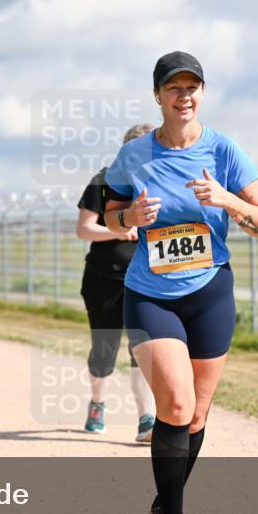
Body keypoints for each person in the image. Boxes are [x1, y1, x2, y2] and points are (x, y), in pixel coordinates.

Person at [103, 52, 258, 514]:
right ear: (158, 95)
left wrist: (227, 199)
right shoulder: (133, 155)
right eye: (174, 88)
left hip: (210, 292)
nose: (184, 96)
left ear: (202, 92)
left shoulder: (224, 150)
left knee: (196, 413)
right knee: (175, 407)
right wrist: (130, 217)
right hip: (151, 294)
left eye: (192, 86)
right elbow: (110, 217)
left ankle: (165, 498)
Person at [76, 123, 157, 441]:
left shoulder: (158, 184)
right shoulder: (104, 181)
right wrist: (117, 231)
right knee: (104, 348)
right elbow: (84, 229)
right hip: (104, 278)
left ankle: (146, 419)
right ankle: (97, 403)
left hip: (145, 279)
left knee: (143, 348)